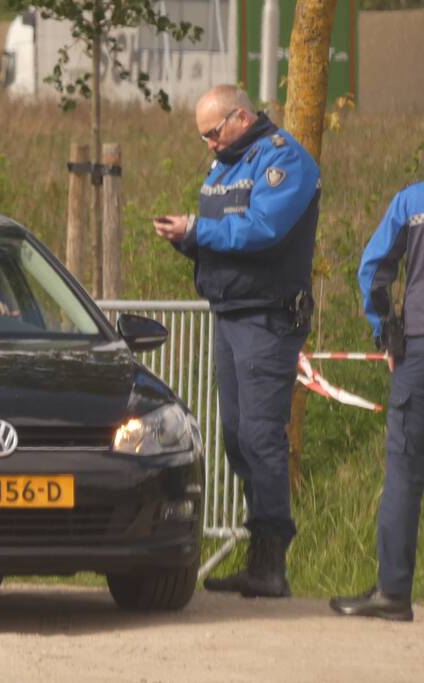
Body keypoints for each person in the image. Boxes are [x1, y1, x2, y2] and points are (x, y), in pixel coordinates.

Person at [153, 84, 320, 598]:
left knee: (262, 439)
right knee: (235, 438)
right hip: (231, 314)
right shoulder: (225, 165)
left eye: (212, 132)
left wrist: (199, 230)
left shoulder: (284, 161)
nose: (207, 144)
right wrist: (187, 240)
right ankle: (258, 560)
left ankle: (271, 565)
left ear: (240, 117)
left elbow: (263, 230)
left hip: (268, 319)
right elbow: (225, 239)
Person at [330, 182, 424, 622]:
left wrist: (385, 330)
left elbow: (372, 269)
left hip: (420, 352)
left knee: (405, 469)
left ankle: (393, 591)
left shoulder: (412, 201)